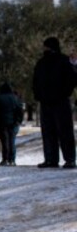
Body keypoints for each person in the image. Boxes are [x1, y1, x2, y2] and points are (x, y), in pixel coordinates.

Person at [33, 37, 77, 169]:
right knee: (49, 132)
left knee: (63, 132)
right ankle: (52, 159)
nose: (45, 49)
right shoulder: (42, 63)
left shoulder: (63, 61)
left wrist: (64, 93)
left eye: (46, 46)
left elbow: (73, 79)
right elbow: (35, 82)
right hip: (48, 102)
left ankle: (68, 159)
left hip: (60, 102)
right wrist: (38, 95)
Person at [0, 82, 25, 166]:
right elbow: (20, 111)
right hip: (13, 124)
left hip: (2, 124)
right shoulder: (15, 98)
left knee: (5, 142)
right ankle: (12, 159)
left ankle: (5, 159)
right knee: (12, 141)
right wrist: (18, 121)